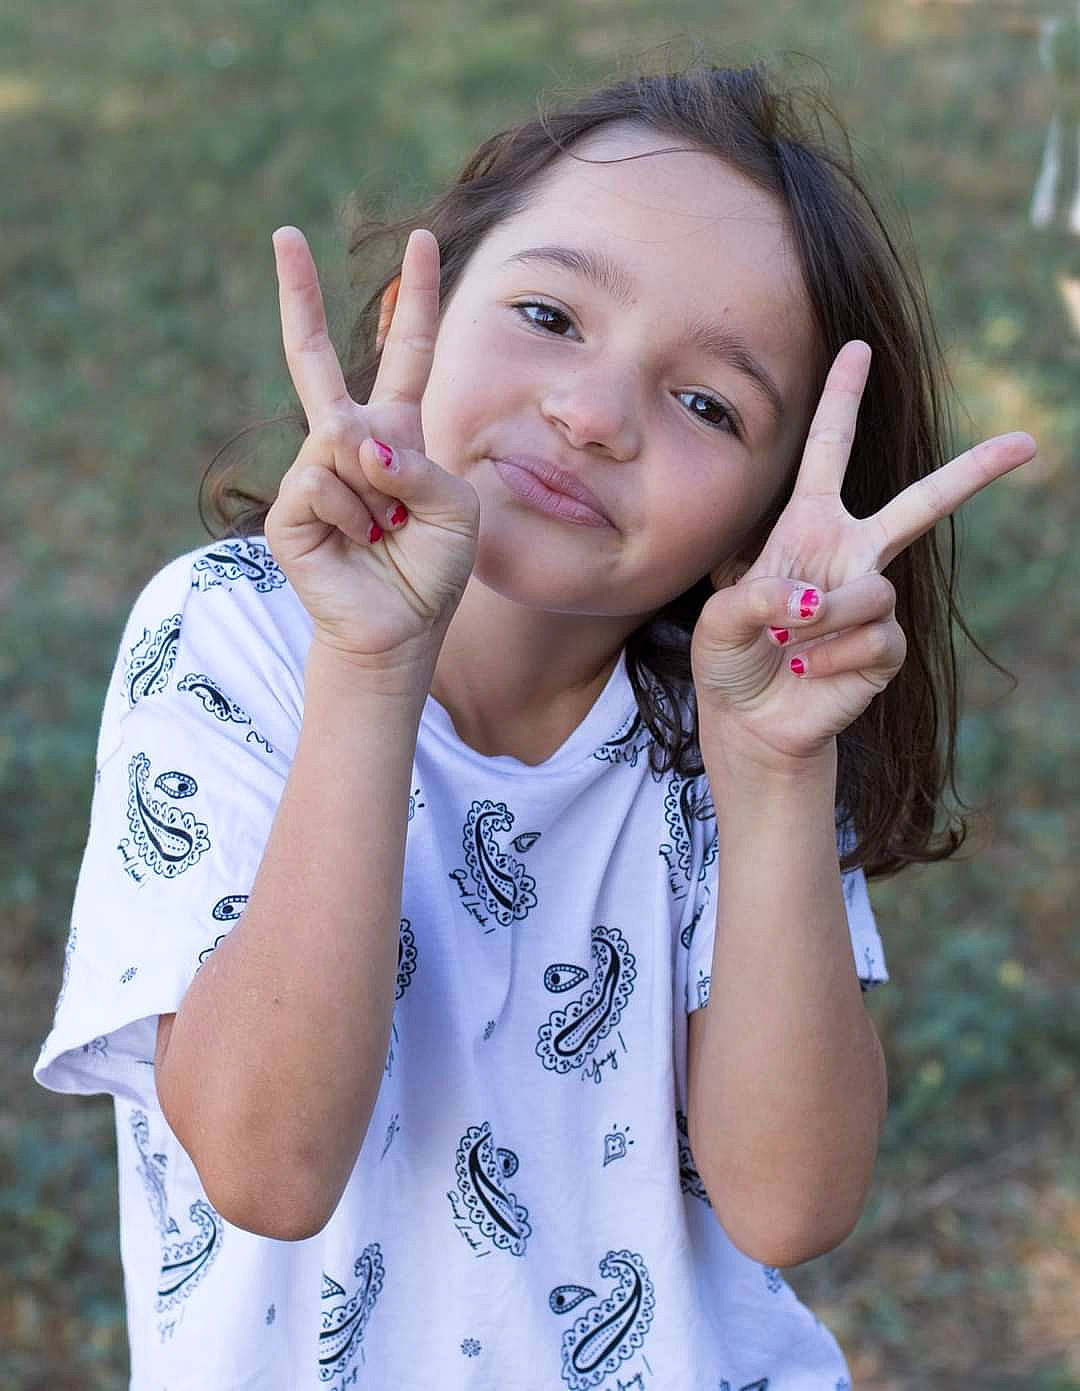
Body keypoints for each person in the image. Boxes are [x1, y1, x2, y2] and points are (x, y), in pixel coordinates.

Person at [34, 61, 1035, 1390]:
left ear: (761, 518)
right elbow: (268, 1170)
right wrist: (372, 664)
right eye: (552, 313)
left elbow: (789, 1205)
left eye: (706, 405)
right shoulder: (235, 636)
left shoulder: (733, 726)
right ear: (416, 314)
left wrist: (779, 777)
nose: (591, 414)